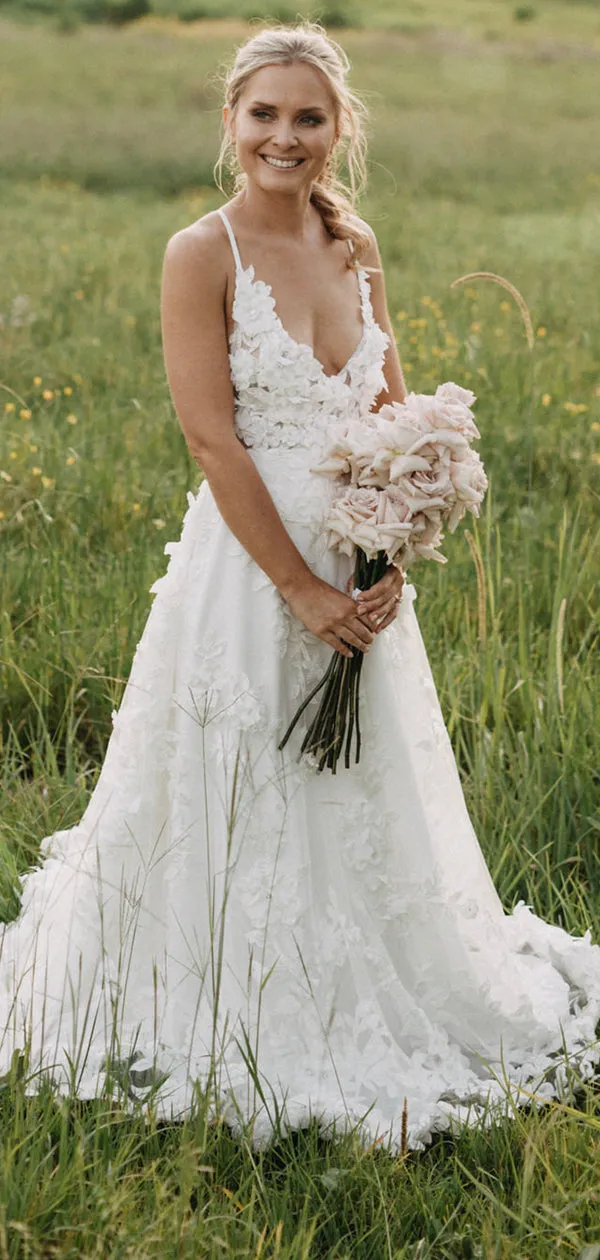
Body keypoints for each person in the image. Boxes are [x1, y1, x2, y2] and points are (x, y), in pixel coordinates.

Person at [1, 22, 599, 1155]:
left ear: (339, 130)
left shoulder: (357, 244)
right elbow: (212, 441)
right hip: (251, 567)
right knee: (243, 787)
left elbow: (398, 408)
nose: (285, 135)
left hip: (363, 568)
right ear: (230, 122)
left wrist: (397, 538)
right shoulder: (201, 253)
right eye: (264, 113)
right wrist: (303, 592)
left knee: (361, 794)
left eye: (308, 116)